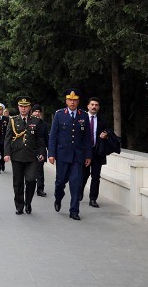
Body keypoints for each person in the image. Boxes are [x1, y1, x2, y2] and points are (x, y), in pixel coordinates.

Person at [48, 89, 92, 221]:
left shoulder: (83, 115)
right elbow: (53, 136)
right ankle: (58, 197)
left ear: (78, 101)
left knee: (76, 183)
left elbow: (87, 138)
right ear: (66, 101)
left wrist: (88, 155)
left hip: (78, 156)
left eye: (75, 100)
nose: (72, 102)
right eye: (70, 100)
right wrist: (51, 154)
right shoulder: (59, 115)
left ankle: (74, 211)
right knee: (60, 182)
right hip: (62, 155)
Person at [4, 97, 46, 215]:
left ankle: (28, 202)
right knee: (18, 183)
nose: (23, 108)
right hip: (17, 156)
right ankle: (19, 205)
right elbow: (7, 138)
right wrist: (7, 153)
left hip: (31, 156)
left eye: (26, 106)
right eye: (21, 106)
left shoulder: (35, 120)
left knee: (31, 180)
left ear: (29, 107)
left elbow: (40, 139)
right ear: (18, 107)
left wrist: (42, 153)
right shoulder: (13, 120)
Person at [80, 97, 108, 208]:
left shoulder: (102, 120)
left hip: (97, 152)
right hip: (84, 152)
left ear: (98, 107)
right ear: (88, 106)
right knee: (83, 174)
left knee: (96, 176)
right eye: (92, 104)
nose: (94, 106)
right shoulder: (81, 118)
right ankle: (79, 192)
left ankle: (93, 198)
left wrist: (105, 134)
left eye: (96, 105)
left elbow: (107, 131)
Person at [31, 104, 49, 197]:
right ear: (32, 112)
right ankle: (30, 187)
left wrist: (50, 152)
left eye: (39, 112)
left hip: (40, 150)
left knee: (39, 171)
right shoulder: (28, 122)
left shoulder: (44, 124)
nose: (37, 113)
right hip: (29, 151)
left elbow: (46, 139)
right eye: (35, 111)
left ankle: (40, 189)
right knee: (30, 171)